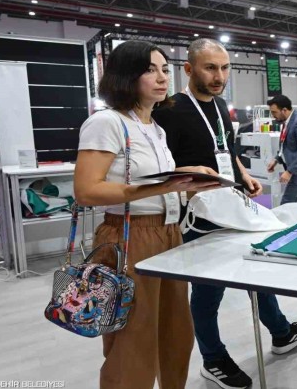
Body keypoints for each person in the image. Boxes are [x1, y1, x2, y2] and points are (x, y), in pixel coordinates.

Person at [154, 39, 297, 389]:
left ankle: (281, 332)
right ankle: (213, 359)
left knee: (256, 267)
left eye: (224, 68)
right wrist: (193, 178)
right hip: (197, 215)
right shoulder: (170, 110)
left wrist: (243, 174)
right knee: (208, 289)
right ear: (189, 69)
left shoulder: (219, 105)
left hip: (231, 204)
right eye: (210, 68)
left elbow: (225, 150)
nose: (219, 76)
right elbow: (160, 167)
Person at [74, 40, 223, 389]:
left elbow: (152, 181)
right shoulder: (106, 122)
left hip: (169, 234)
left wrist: (189, 177)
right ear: (126, 76)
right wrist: (162, 187)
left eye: (164, 70)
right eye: (150, 70)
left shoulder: (155, 128)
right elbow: (86, 190)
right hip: (129, 236)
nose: (161, 78)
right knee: (132, 339)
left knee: (176, 333)